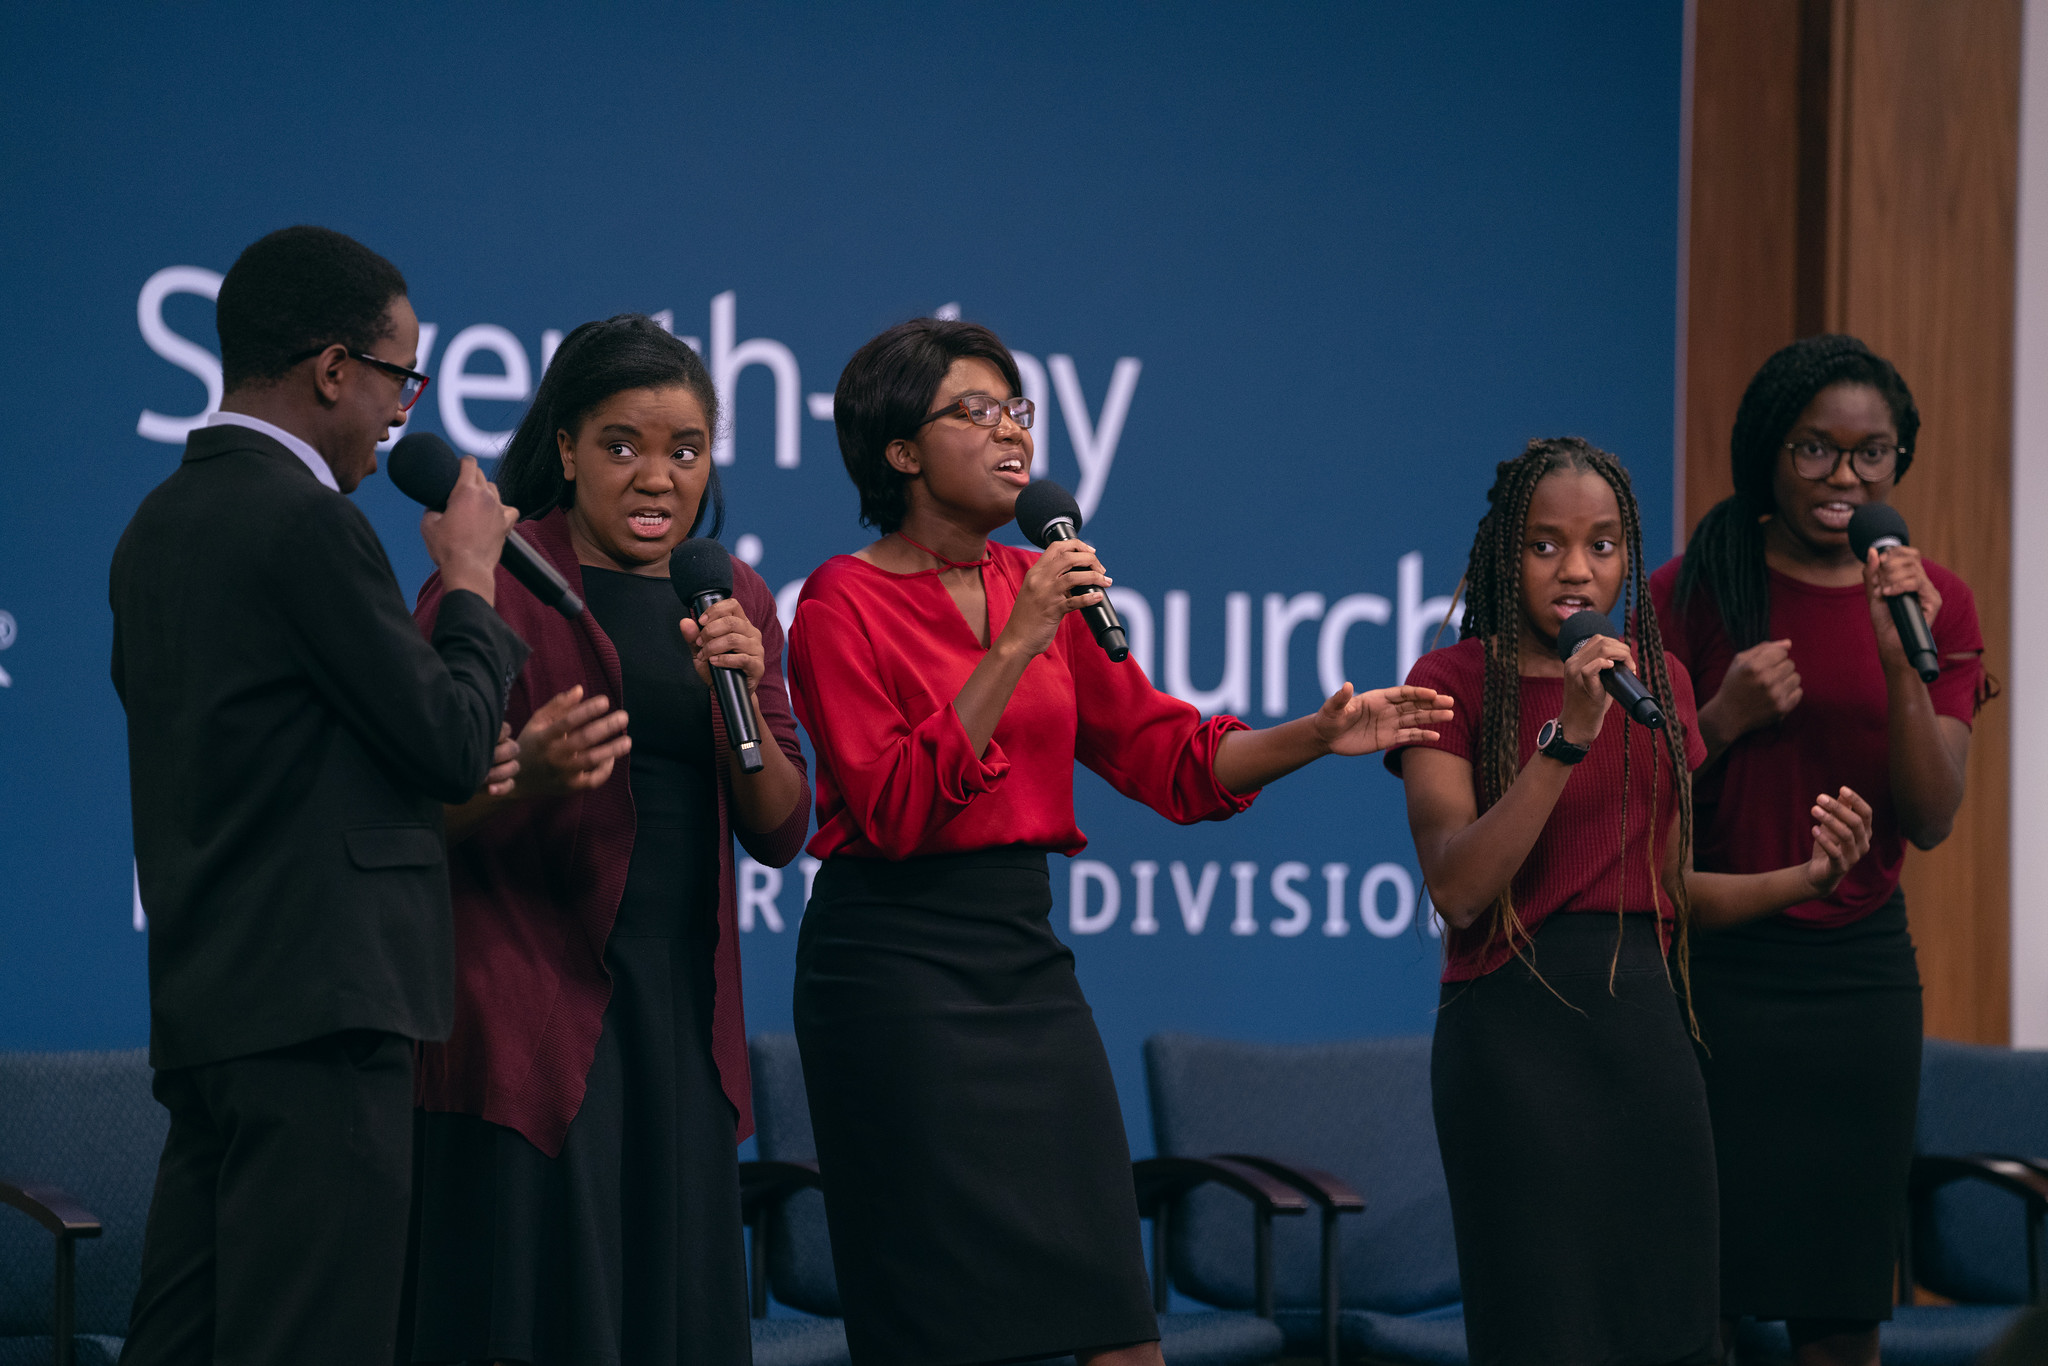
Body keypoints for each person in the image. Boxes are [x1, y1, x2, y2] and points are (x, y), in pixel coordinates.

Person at [785, 316, 1454, 1366]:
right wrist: (1014, 645)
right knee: (940, 1331)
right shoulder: (842, 601)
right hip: (890, 975)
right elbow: (893, 807)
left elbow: (1168, 757)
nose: (1011, 431)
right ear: (899, 450)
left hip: (1022, 960)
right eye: (975, 410)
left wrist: (1315, 737)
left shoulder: (1035, 586)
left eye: (1017, 408)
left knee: (1117, 1327)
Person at [109, 226, 529, 1366]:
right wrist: (471, 579)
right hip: (322, 1016)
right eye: (401, 376)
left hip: (213, 1013)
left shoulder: (158, 523)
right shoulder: (305, 522)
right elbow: (452, 742)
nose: (403, 411)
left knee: (185, 1341)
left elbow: (263, 757)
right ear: (335, 369)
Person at [1388, 437, 1876, 1366]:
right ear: (1503, 554)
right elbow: (1458, 888)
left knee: (1672, 1332)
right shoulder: (1447, 684)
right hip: (1512, 1045)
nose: (1577, 569)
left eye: (1603, 545)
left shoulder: (1662, 685)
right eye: (1545, 545)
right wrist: (1567, 740)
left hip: (1644, 1038)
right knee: (1545, 1335)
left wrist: (1808, 878)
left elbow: (1669, 889)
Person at [401, 314, 810, 1366]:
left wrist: (734, 699)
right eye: (622, 445)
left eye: (686, 450)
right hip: (520, 1006)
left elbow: (780, 829)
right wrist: (520, 779)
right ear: (568, 448)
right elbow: (400, 814)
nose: (656, 477)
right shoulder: (490, 577)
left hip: (677, 1014)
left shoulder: (733, 597)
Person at [1650, 335, 1988, 1366]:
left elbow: (1931, 817)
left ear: (1897, 461)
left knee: (1841, 1310)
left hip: (1857, 983)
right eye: (1815, 450)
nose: (1845, 477)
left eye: (1870, 453)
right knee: (1694, 1300)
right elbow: (1630, 805)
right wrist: (1721, 716)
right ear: (1770, 453)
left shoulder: (1934, 603)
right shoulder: (1691, 589)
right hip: (1712, 972)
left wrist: (1898, 663)